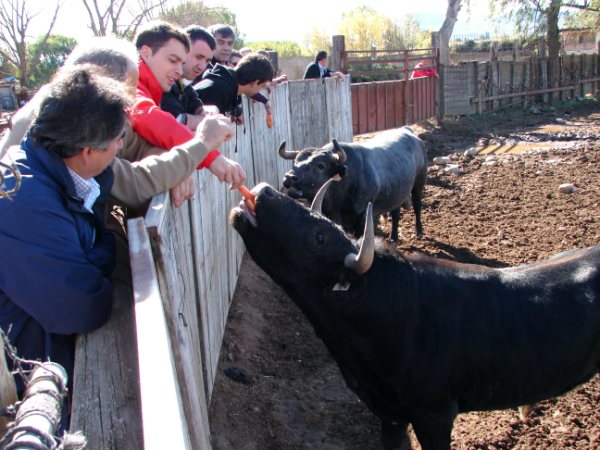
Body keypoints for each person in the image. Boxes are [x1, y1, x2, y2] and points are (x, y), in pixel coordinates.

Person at [0, 66, 130, 429]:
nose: (122, 146)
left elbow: (96, 240)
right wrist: (99, 257)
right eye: (119, 138)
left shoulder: (61, 176)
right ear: (87, 151)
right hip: (28, 382)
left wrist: (92, 254)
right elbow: (81, 305)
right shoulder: (22, 198)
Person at [0, 37, 241, 210]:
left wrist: (177, 164)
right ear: (98, 84)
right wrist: (199, 149)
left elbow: (134, 143)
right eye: (125, 95)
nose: (128, 108)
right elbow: (134, 184)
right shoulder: (73, 125)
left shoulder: (71, 104)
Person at [131, 21, 245, 196]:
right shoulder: (130, 86)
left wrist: (173, 167)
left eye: (181, 62)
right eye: (172, 60)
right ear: (146, 53)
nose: (178, 71)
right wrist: (210, 156)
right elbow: (153, 120)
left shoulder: (156, 87)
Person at [194, 53, 274, 125]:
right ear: (256, 82)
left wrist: (235, 111)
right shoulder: (220, 90)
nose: (259, 90)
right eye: (262, 86)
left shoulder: (230, 83)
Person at [161, 25, 216, 129]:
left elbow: (200, 108)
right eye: (198, 57)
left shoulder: (184, 85)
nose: (202, 66)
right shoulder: (165, 81)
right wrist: (207, 120)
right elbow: (178, 120)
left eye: (207, 61)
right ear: (183, 50)